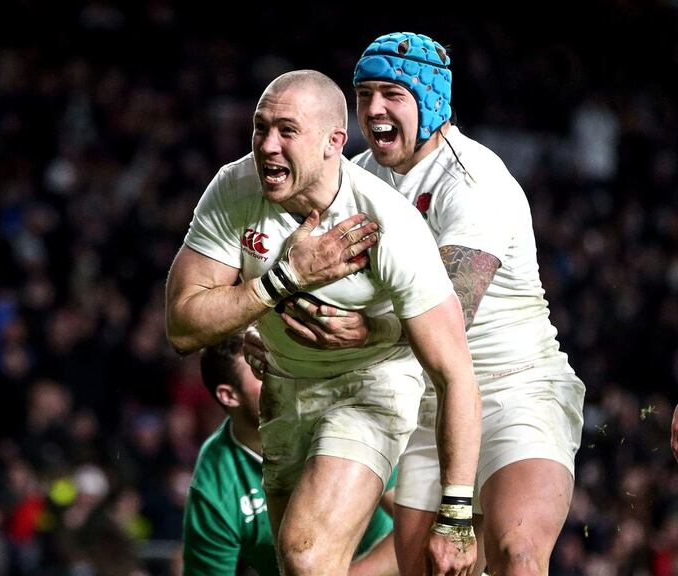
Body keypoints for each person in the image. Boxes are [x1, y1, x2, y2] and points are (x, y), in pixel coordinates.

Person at [270, 32, 586, 575]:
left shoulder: (472, 182)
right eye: (364, 93)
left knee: (519, 553)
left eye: (392, 93)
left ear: (432, 101)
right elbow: (312, 273)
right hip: (427, 400)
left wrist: (364, 333)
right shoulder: (356, 178)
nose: (373, 109)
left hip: (515, 386)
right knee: (431, 569)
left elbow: (451, 316)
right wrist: (269, 329)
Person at [165, 69, 480, 576]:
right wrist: (283, 279)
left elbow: (455, 373)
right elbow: (182, 326)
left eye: (287, 131)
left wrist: (457, 515)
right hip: (284, 388)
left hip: (369, 385)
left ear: (335, 141)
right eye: (259, 127)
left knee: (305, 552)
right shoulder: (234, 187)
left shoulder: (387, 224)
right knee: (303, 565)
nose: (267, 145)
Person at [182, 331, 398, 576]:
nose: (282, 375)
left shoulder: (334, 417)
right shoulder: (214, 487)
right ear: (229, 395)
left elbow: (416, 523)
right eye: (261, 370)